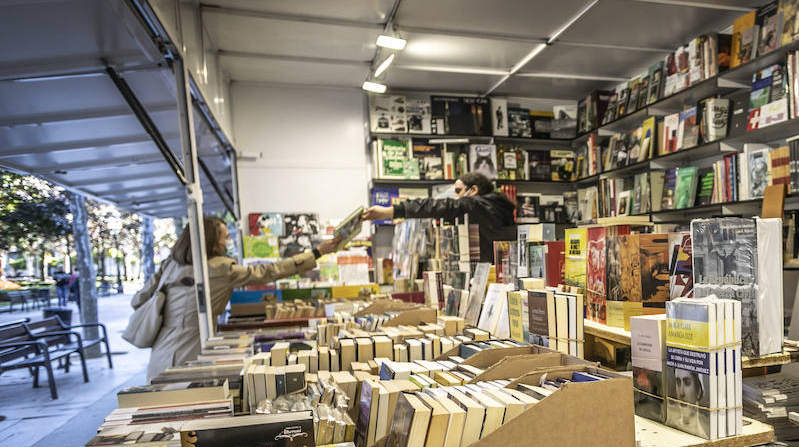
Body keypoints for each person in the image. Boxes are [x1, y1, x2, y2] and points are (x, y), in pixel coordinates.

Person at [134, 216, 337, 381]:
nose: (227, 242)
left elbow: (138, 299)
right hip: (192, 345)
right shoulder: (221, 269)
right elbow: (268, 271)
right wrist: (316, 253)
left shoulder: (169, 264)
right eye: (223, 237)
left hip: (161, 349)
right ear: (211, 241)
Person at [361, 172, 515, 262]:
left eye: (458, 191)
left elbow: (434, 206)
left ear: (473, 190)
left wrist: (391, 211)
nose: (456, 197)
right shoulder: (498, 207)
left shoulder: (473, 205)